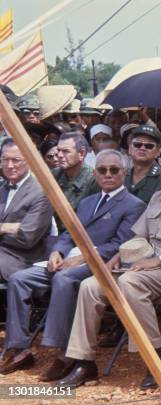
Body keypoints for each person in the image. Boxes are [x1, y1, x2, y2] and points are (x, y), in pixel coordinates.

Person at [59, 139, 161, 389]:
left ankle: (154, 354)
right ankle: (84, 361)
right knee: (92, 285)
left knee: (130, 283)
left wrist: (159, 260)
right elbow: (138, 236)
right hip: (144, 267)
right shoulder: (159, 196)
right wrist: (113, 261)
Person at [0, 150, 145, 379]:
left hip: (99, 263)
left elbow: (121, 244)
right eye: (102, 170)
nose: (107, 174)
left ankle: (64, 351)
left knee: (64, 279)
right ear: (95, 173)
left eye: (114, 170)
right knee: (20, 279)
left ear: (124, 173)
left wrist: (84, 256)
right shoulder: (87, 202)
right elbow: (69, 232)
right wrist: (57, 251)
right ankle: (19, 348)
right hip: (68, 259)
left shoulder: (133, 204)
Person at [0, 140, 53, 281]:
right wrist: (7, 228)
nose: (10, 165)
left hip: (21, 260)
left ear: (29, 160)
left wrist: (3, 227)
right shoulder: (1, 189)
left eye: (15, 160)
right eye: (5, 160)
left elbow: (27, 238)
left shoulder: (41, 193)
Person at [53, 132, 98, 231]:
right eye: (58, 150)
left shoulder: (94, 181)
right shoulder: (54, 175)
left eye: (65, 151)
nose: (59, 155)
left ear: (81, 153)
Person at [124, 125, 161, 204]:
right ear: (129, 149)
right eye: (137, 144)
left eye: (149, 146)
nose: (142, 148)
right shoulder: (120, 175)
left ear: (158, 152)